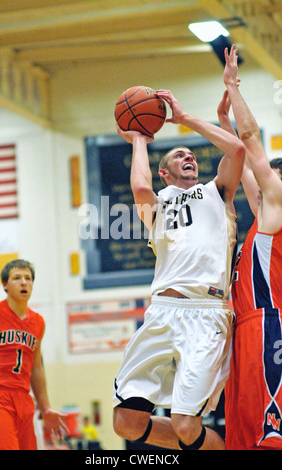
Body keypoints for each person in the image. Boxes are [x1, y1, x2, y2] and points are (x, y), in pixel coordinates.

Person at [112, 80, 246, 450]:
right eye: (178, 155)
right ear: (164, 174)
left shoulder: (216, 193)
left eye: (191, 154)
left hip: (206, 313)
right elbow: (139, 188)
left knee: (186, 425)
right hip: (162, 312)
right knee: (126, 422)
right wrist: (139, 138)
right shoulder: (156, 206)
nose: (188, 156)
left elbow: (236, 149)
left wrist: (186, 118)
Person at [219, 44, 282, 450]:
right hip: (243, 331)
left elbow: (251, 139)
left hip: (266, 325)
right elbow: (241, 156)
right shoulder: (262, 215)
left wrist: (233, 87)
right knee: (240, 440)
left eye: (268, 177)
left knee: (267, 438)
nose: (259, 183)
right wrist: (222, 117)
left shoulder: (276, 206)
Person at [0, 259, 68, 450]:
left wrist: (45, 408)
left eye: (28, 278)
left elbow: (36, 367)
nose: (24, 282)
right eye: (17, 278)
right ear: (4, 285)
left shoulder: (38, 322)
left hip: (24, 399)